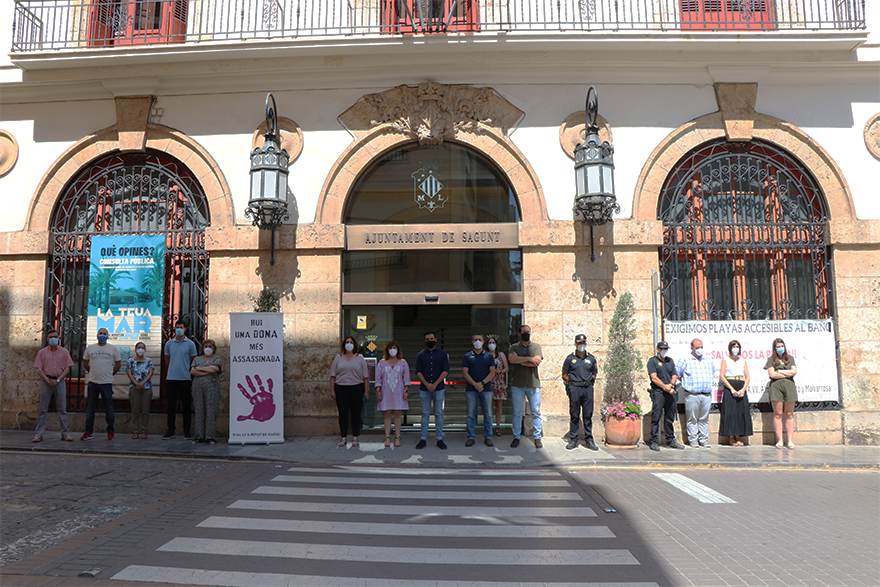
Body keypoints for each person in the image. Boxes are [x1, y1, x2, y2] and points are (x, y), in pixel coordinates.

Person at [33, 328, 74, 442]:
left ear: (58, 338)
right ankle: (39, 434)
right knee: (42, 409)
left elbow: (67, 369)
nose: (53, 339)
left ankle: (65, 433)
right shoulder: (41, 353)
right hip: (46, 382)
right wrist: (47, 380)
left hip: (59, 382)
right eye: (51, 337)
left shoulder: (64, 352)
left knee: (62, 409)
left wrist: (58, 380)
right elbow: (39, 369)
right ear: (47, 339)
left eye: (55, 337)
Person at [81, 327, 121, 441]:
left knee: (109, 408)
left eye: (104, 333)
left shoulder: (113, 348)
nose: (102, 335)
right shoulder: (90, 348)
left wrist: (110, 374)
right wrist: (92, 371)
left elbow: (118, 364)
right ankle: (88, 432)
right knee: (90, 409)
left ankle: (110, 432)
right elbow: (85, 363)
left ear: (107, 336)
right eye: (100, 333)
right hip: (93, 383)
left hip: (107, 383)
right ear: (97, 335)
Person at [329, 336, 369, 448]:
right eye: (347, 342)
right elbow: (332, 376)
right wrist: (332, 390)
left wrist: (366, 391)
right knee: (343, 414)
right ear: (344, 344)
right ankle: (343, 437)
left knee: (356, 414)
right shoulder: (338, 358)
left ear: (354, 344)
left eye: (351, 342)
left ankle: (355, 437)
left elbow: (366, 377)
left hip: (357, 388)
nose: (349, 344)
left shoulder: (360, 358)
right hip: (341, 388)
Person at [508, 324, 543, 449]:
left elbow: (537, 361)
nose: (526, 333)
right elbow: (512, 360)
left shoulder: (536, 346)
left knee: (535, 411)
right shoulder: (514, 347)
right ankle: (516, 437)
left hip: (533, 384)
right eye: (523, 332)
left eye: (528, 331)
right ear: (519, 334)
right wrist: (529, 359)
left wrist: (520, 361)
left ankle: (537, 437)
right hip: (517, 384)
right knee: (517, 412)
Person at [676, 338, 716, 448]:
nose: (700, 349)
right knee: (692, 419)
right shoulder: (685, 359)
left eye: (701, 347)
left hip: (706, 394)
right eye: (697, 347)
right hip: (692, 394)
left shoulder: (708, 359)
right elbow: (677, 374)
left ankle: (703, 439)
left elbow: (712, 372)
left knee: (704, 419)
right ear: (692, 348)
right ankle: (693, 440)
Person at [562, 334, 599, 451]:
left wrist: (588, 382)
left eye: (583, 343)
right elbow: (564, 375)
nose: (581, 345)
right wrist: (572, 385)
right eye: (579, 343)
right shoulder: (570, 359)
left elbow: (594, 373)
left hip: (587, 389)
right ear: (575, 344)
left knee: (588, 415)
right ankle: (573, 439)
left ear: (586, 344)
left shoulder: (591, 358)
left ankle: (589, 440)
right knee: (574, 414)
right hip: (575, 389)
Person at [646, 341, 685, 451]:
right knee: (656, 417)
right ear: (657, 350)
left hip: (670, 392)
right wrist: (664, 387)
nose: (664, 351)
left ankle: (670, 440)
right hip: (659, 392)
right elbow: (654, 378)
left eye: (666, 349)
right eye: (662, 349)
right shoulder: (653, 361)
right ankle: (654, 441)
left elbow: (674, 375)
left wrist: (671, 385)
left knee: (669, 417)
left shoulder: (670, 361)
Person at [163, 319, 197, 440]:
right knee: (171, 405)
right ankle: (170, 430)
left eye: (181, 327)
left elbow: (193, 360)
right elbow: (167, 359)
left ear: (185, 329)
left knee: (186, 406)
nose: (179, 329)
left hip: (185, 378)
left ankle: (186, 431)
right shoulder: (169, 344)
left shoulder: (190, 344)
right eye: (177, 327)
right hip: (171, 378)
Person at [415, 331, 449, 450]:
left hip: (438, 388)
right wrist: (427, 384)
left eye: (431, 338)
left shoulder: (442, 354)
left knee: (439, 413)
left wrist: (435, 384)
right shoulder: (420, 355)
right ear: (425, 340)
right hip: (424, 389)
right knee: (425, 413)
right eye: (427, 339)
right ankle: (423, 439)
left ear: (436, 339)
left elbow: (445, 371)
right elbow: (418, 371)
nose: (430, 341)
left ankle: (439, 439)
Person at [463, 333, 496, 447]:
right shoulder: (467, 356)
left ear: (483, 342)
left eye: (480, 340)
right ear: (472, 342)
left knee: (488, 414)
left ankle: (488, 436)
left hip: (485, 389)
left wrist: (482, 383)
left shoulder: (489, 356)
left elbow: (492, 372)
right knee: (470, 415)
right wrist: (475, 384)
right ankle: (471, 437)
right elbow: (465, 373)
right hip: (471, 389)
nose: (478, 341)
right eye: (475, 339)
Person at [764, 337, 797, 449]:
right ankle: (780, 440)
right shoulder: (771, 360)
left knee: (789, 414)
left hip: (789, 386)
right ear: (774, 348)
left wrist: (780, 371)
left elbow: (794, 371)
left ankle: (790, 441)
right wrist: (787, 373)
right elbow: (772, 374)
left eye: (782, 346)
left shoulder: (790, 358)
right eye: (778, 347)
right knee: (778, 414)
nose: (780, 348)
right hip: (776, 387)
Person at [375, 340, 409, 448]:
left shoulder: (403, 363)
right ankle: (387, 437)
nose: (392, 350)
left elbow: (406, 378)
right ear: (387, 350)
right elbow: (378, 378)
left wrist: (406, 391)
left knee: (398, 415)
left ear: (398, 349)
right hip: (386, 392)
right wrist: (378, 391)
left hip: (399, 392)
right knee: (387, 414)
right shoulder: (381, 363)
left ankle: (397, 437)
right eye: (390, 348)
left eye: (394, 348)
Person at [719, 339, 753, 446]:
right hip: (730, 385)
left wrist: (743, 389)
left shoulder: (743, 360)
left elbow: (747, 377)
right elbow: (722, 376)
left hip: (741, 384)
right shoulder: (725, 360)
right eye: (733, 347)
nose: (735, 349)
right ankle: (731, 437)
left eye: (737, 347)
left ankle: (738, 436)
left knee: (740, 411)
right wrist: (731, 389)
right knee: (731, 411)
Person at [191, 339, 222, 444]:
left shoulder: (216, 359)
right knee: (199, 410)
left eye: (210, 346)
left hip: (212, 387)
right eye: (206, 346)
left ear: (214, 348)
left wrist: (200, 369)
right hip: (198, 387)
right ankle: (199, 436)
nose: (208, 348)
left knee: (211, 410)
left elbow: (215, 369)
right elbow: (193, 371)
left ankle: (210, 436)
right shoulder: (197, 359)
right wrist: (207, 370)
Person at [127, 341, 154, 439]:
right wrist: (136, 383)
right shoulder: (131, 360)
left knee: (145, 410)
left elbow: (150, 373)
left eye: (142, 347)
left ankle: (144, 431)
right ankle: (135, 431)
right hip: (134, 388)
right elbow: (129, 373)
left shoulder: (148, 361)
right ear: (135, 349)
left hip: (146, 388)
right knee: (135, 410)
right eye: (139, 347)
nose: (140, 349)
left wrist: (143, 383)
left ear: (145, 349)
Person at [487, 336, 508, 436]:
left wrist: (498, 371)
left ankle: (498, 426)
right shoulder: (485, 355)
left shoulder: (501, 355)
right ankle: (489, 426)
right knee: (489, 405)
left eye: (493, 342)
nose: (491, 344)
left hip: (499, 382)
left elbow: (506, 368)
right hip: (488, 382)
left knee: (499, 405)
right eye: (490, 343)